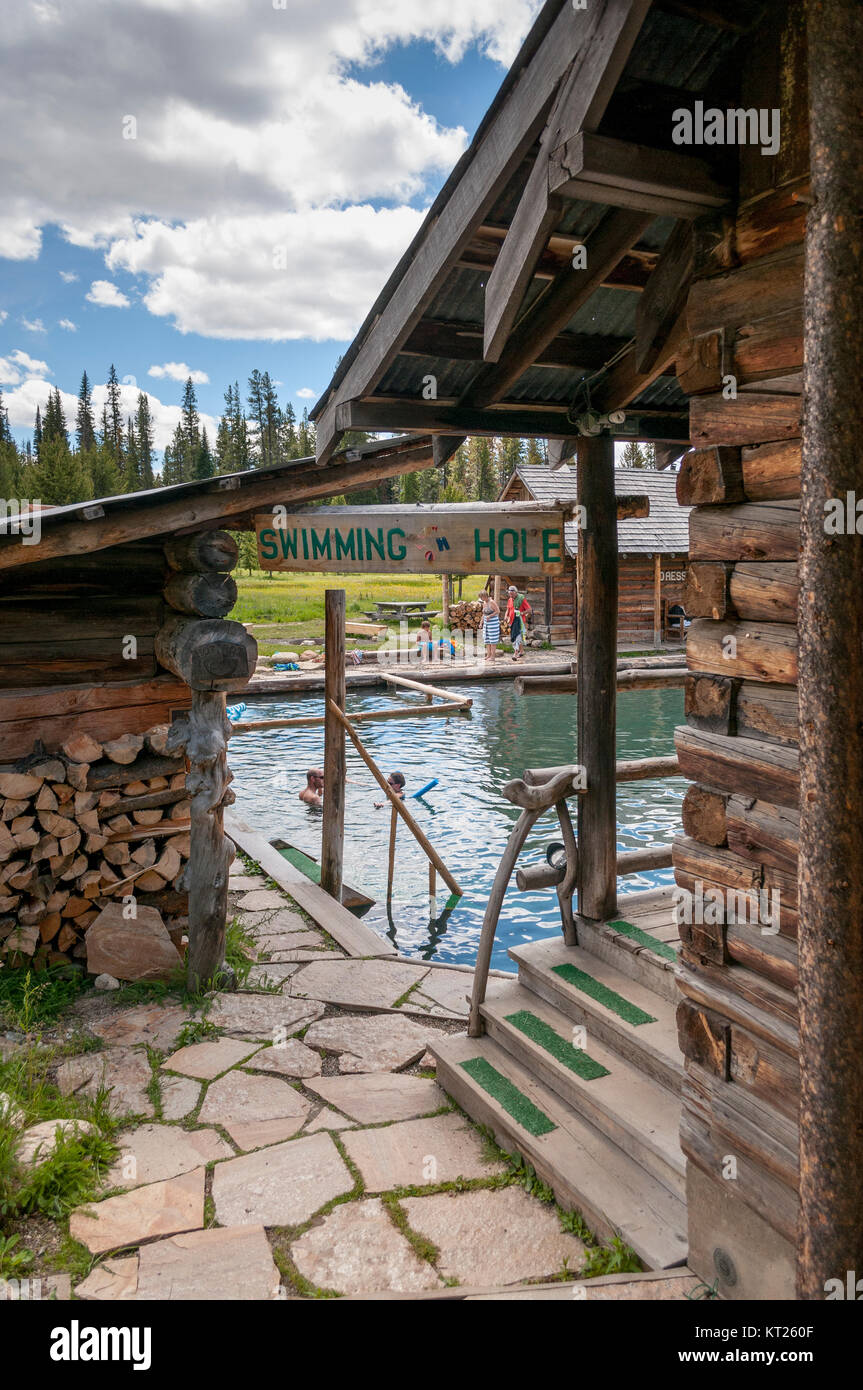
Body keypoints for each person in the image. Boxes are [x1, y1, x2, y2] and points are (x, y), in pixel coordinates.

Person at [506, 585, 531, 662]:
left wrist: (522, 613)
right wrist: (505, 616)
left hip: (519, 622)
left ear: (516, 592)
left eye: (512, 594)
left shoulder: (521, 599)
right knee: (515, 636)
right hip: (512, 621)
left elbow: (529, 609)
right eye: (510, 594)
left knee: (517, 637)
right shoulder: (510, 600)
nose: (511, 596)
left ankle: (515, 653)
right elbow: (508, 609)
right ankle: (522, 651)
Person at [478, 589, 500, 662]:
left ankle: (493, 656)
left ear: (485, 596)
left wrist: (490, 616)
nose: (481, 599)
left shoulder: (492, 602)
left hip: (493, 624)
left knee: (492, 641)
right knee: (487, 640)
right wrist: (481, 623)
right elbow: (483, 614)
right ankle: (488, 655)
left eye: (482, 597)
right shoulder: (484, 603)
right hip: (486, 624)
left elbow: (498, 611)